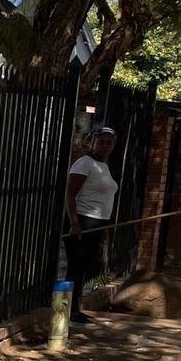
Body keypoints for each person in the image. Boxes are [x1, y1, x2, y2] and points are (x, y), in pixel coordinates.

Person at [64, 126, 119, 324]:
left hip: (97, 223)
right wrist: (74, 223)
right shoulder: (84, 163)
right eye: (102, 141)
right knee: (76, 267)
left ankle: (75, 307)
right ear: (92, 142)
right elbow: (70, 194)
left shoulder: (103, 165)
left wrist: (104, 228)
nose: (105, 145)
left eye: (109, 142)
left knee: (84, 267)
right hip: (82, 221)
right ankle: (69, 310)